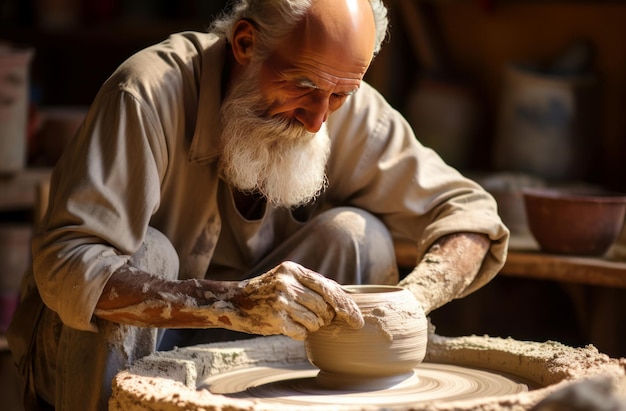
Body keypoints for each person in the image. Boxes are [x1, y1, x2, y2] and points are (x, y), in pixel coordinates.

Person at [7, 0, 509, 409]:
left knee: (355, 236)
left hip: (259, 343)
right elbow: (70, 264)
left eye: (339, 95)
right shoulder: (146, 91)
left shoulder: (340, 102)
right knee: (146, 254)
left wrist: (413, 300)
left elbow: (469, 214)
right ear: (245, 43)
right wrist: (230, 303)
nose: (317, 119)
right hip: (102, 356)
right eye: (305, 86)